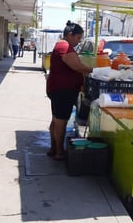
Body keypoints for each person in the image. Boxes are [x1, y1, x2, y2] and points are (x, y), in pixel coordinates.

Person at [46, 21, 93, 160]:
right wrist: (94, 70)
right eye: (78, 38)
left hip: (58, 89)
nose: (79, 41)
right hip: (63, 90)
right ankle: (59, 152)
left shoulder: (63, 45)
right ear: (70, 35)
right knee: (61, 121)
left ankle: (54, 148)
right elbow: (76, 66)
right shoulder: (64, 46)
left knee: (56, 120)